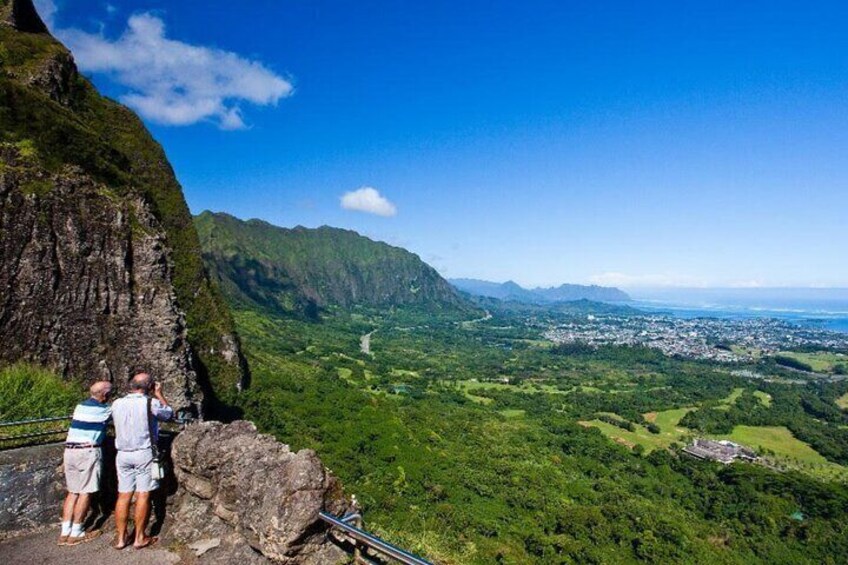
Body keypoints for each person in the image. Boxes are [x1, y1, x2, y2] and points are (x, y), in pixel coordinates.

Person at [111, 373, 173, 550]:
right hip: (143, 453)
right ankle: (139, 537)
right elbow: (168, 414)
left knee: (123, 495)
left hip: (122, 453)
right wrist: (159, 394)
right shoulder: (150, 403)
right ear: (150, 387)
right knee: (143, 494)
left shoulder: (117, 403)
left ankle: (121, 539)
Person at [59, 380, 113, 546]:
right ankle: (77, 532)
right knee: (85, 491)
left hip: (70, 450)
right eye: (110, 392)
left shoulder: (80, 406)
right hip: (87, 451)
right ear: (104, 395)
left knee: (72, 491)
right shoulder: (105, 409)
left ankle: (64, 533)